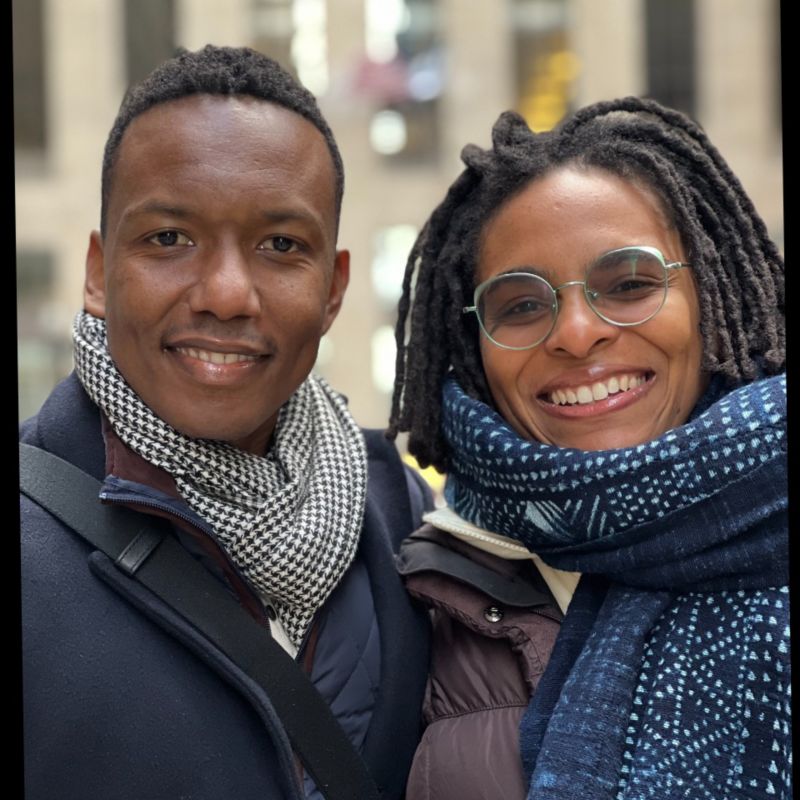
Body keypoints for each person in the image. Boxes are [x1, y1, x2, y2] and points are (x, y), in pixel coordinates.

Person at [20, 45, 432, 800]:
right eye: (169, 238)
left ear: (333, 290)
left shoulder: (403, 519)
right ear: (98, 273)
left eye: (281, 246)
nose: (226, 294)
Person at [388, 97, 788, 800]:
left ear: (710, 292)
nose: (576, 333)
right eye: (521, 304)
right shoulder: (415, 592)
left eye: (629, 284)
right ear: (475, 346)